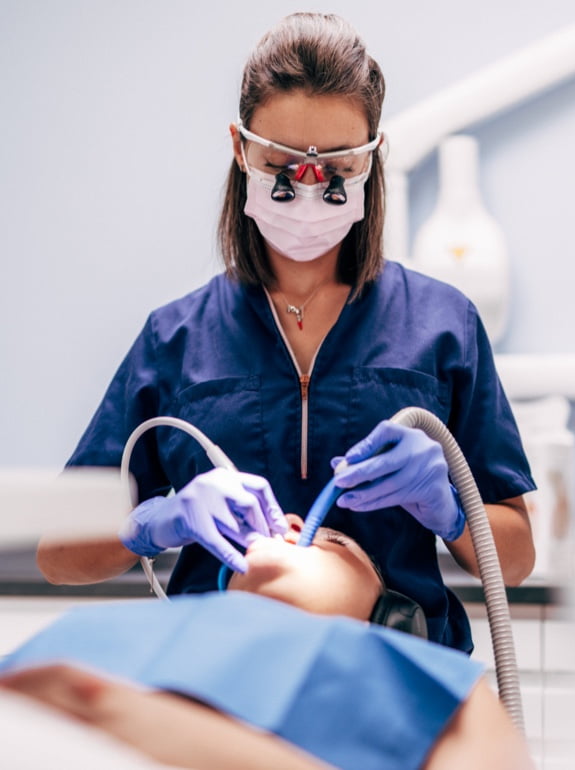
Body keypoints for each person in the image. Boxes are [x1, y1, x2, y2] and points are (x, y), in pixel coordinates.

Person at [36, 12, 536, 653]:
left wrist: (447, 504)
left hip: (399, 689)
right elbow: (56, 554)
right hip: (219, 683)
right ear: (241, 148)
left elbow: (515, 561)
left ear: (372, 157)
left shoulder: (442, 325)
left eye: (334, 164)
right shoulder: (177, 339)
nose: (306, 183)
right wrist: (160, 521)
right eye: (280, 160)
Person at [2, 518, 534, 770]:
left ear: (389, 615)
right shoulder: (105, 631)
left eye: (334, 539)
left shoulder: (432, 686)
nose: (294, 525)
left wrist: (126, 719)